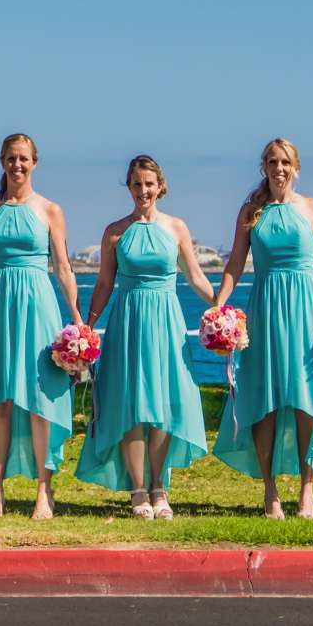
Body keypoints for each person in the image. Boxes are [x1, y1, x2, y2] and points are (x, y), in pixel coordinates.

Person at [211, 137, 313, 518]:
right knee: (266, 399)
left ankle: (307, 487)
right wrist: (219, 305)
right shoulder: (251, 211)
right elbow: (235, 264)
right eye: (272, 162)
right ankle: (270, 489)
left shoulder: (312, 208)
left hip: (307, 307)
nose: (279, 168)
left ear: (297, 167)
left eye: (286, 162)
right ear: (264, 166)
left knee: (306, 397)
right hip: (265, 306)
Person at [77, 154, 215, 518]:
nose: (143, 190)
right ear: (129, 187)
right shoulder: (115, 232)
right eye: (137, 184)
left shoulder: (177, 228)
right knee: (131, 405)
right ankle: (138, 490)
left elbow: (196, 277)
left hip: (166, 322)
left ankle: (160, 487)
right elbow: (105, 283)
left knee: (166, 404)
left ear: (161, 187)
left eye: (149, 184)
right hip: (128, 321)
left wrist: (221, 307)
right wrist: (87, 328)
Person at [0, 133, 84, 518]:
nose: (18, 165)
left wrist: (77, 317)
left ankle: (45, 490)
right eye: (11, 158)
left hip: (39, 306)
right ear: (2, 162)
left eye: (24, 158)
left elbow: (63, 268)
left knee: (42, 401)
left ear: (35, 163)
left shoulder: (50, 210)